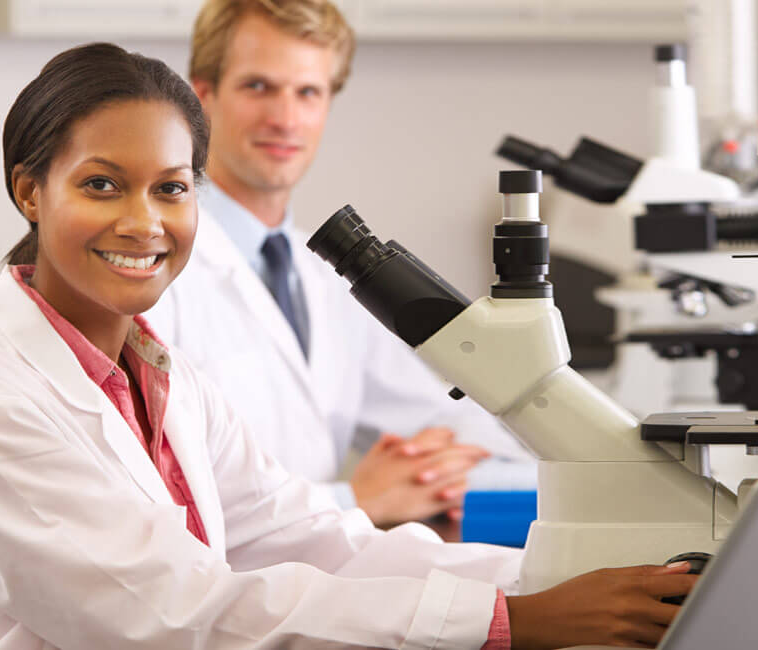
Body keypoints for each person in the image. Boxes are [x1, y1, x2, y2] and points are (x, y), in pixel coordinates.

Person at [0, 43, 698, 649]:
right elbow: (174, 615)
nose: (144, 222)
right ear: (28, 190)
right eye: (102, 184)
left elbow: (318, 540)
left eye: (171, 187)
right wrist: (511, 621)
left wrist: (548, 580)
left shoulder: (165, 380)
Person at [144, 0, 535, 527]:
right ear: (203, 96)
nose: (285, 118)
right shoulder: (151, 265)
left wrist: (449, 467)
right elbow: (156, 497)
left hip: (314, 578)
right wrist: (355, 501)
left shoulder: (320, 278)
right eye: (258, 86)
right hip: (221, 587)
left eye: (307, 92)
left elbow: (450, 414)